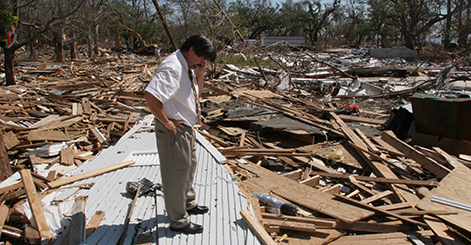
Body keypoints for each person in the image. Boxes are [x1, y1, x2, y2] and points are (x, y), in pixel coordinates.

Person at [144, 34, 217, 234]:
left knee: (188, 167)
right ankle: (178, 220)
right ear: (191, 49)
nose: (203, 62)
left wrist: (200, 74)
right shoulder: (173, 68)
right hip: (174, 130)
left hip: (186, 127)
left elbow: (196, 96)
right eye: (202, 58)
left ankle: (187, 202)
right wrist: (166, 121)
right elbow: (151, 96)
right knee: (176, 174)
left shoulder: (186, 67)